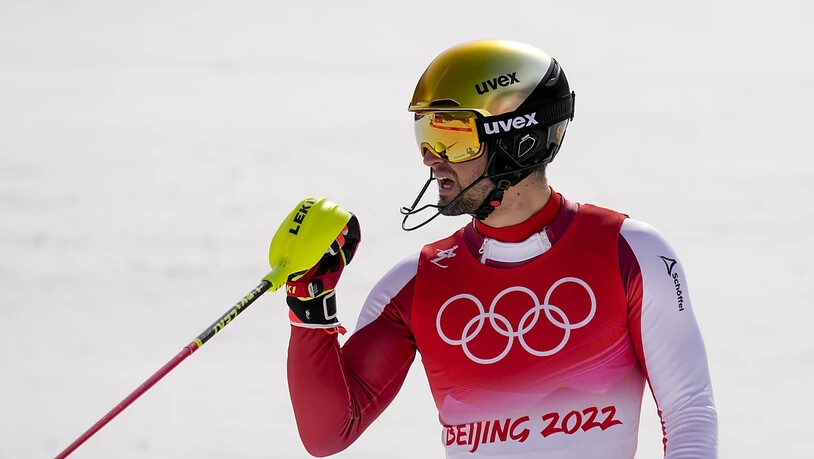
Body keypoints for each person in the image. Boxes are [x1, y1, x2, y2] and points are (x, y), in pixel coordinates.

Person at [278, 40, 718, 458]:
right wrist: (309, 300)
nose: (431, 157)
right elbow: (327, 433)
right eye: (424, 133)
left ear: (518, 138)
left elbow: (688, 412)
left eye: (451, 135)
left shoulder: (629, 252)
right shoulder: (414, 284)